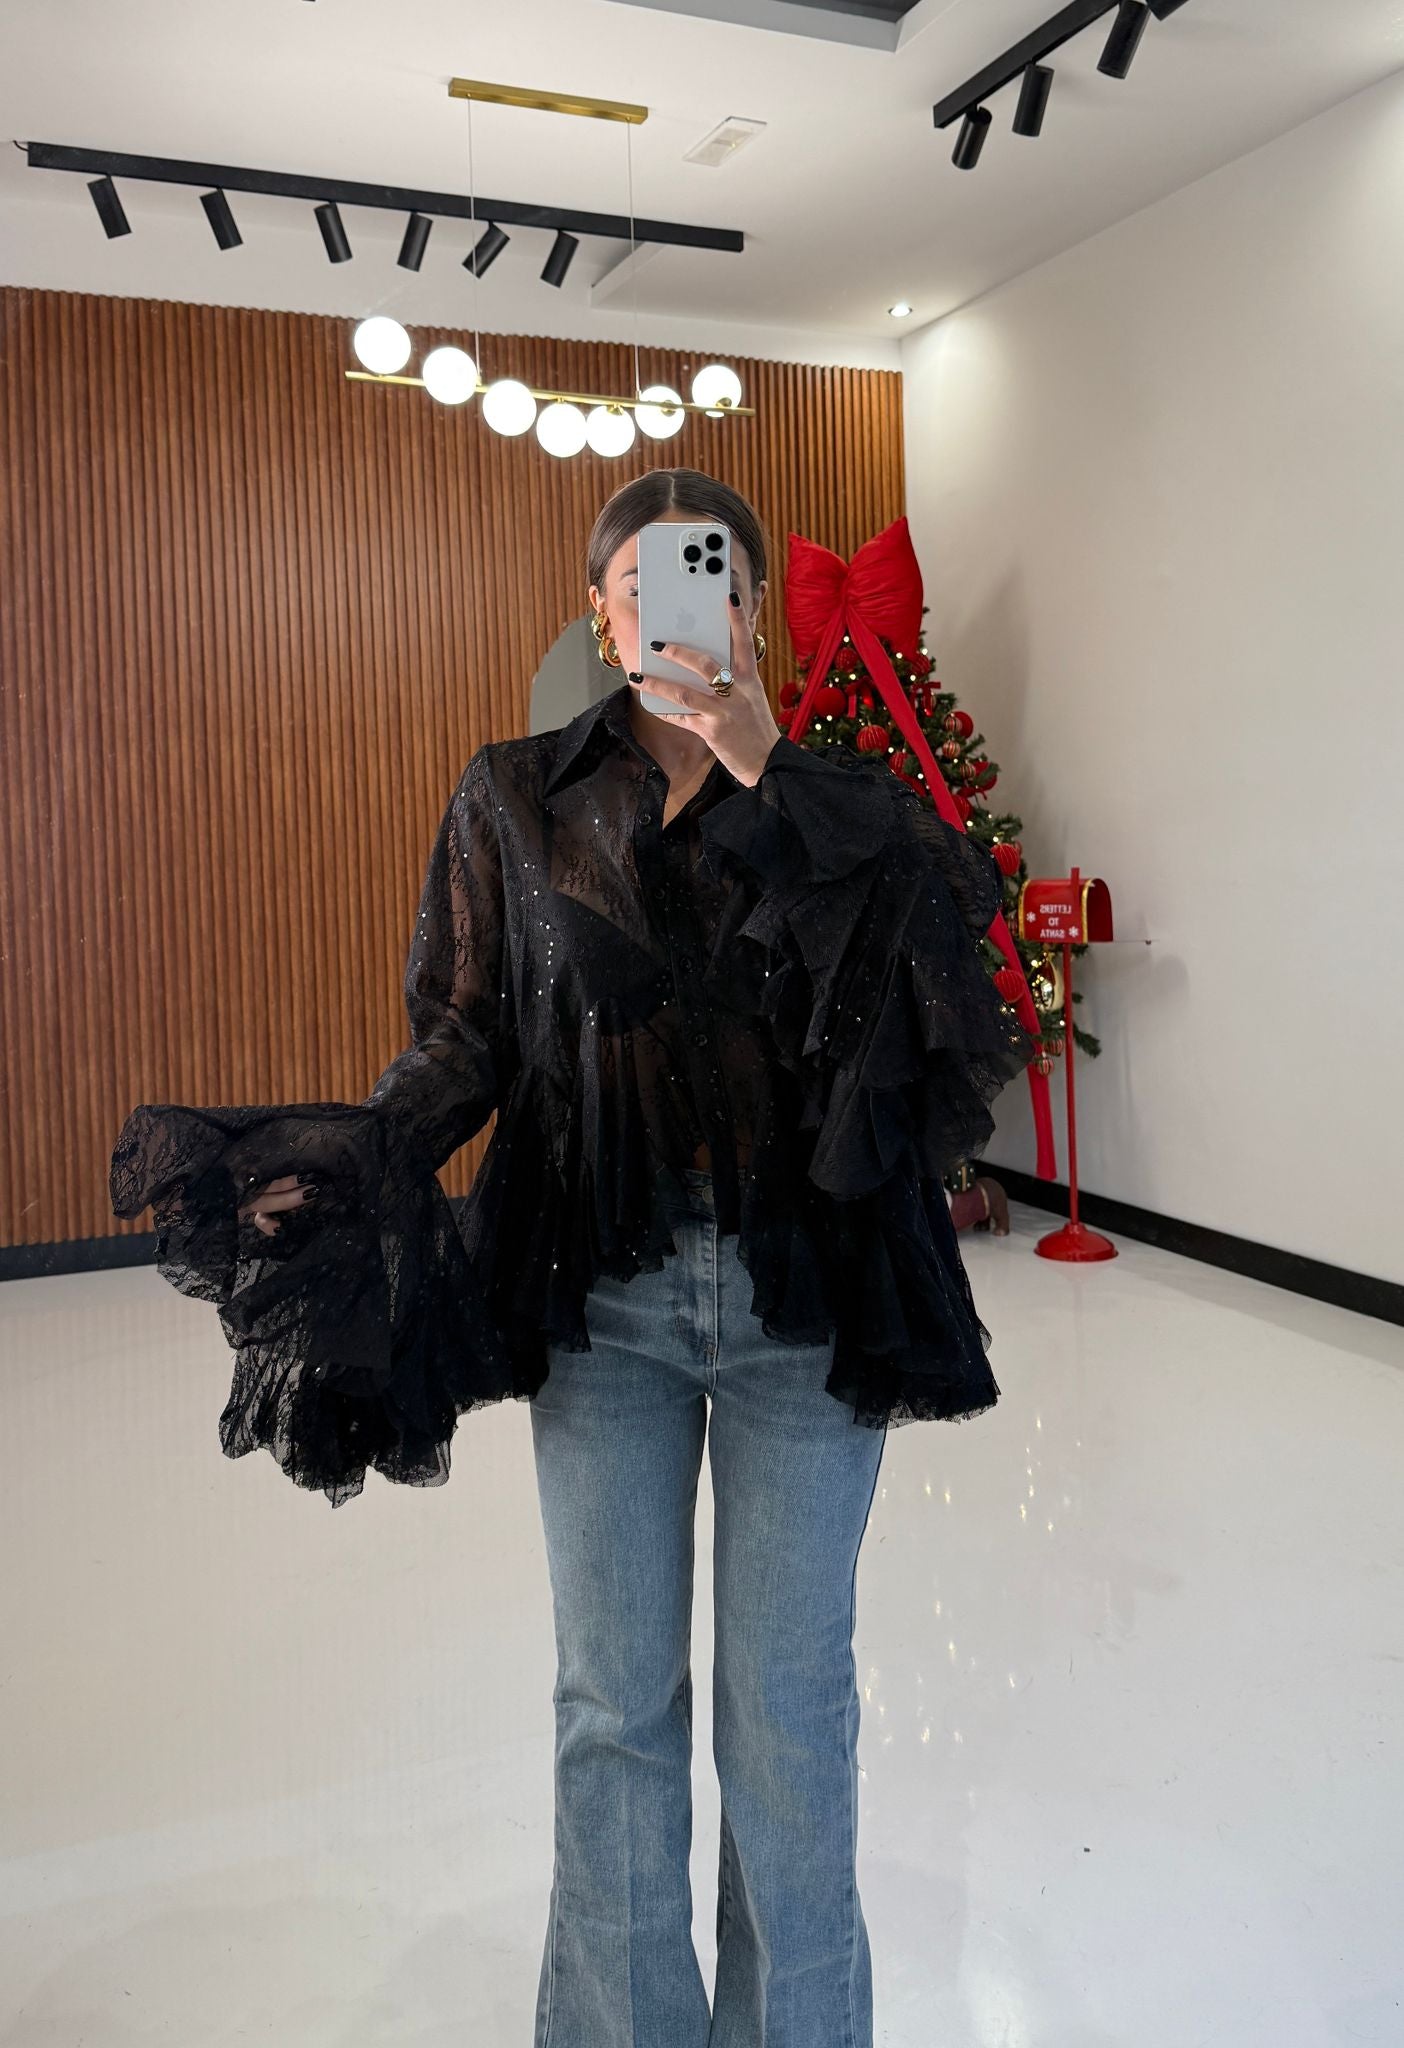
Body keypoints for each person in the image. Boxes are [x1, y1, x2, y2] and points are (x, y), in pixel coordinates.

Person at [109, 466, 1036, 2045]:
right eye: (647, 581)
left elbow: (940, 969)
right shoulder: (514, 795)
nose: (684, 605)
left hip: (809, 1301)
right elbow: (469, 1032)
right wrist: (359, 1157)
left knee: (790, 1712)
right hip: (605, 1301)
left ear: (750, 607)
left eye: (715, 575)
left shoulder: (841, 805)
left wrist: (762, 760)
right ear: (601, 612)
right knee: (613, 1705)